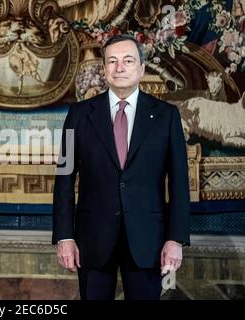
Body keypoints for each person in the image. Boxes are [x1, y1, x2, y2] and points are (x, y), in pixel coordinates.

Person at [52, 34, 190, 300]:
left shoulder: (166, 115)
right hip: (92, 240)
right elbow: (64, 178)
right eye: (112, 61)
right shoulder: (79, 115)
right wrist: (64, 236)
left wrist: (176, 239)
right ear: (103, 70)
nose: (119, 67)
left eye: (128, 60)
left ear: (141, 68)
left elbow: (179, 183)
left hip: (148, 241)